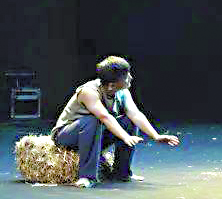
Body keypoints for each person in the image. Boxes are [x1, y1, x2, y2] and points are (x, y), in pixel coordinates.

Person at [51, 56, 180, 188]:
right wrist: (125, 137)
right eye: (126, 77)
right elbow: (105, 117)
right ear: (111, 85)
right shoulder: (88, 92)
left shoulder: (122, 91)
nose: (130, 78)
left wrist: (156, 136)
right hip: (67, 137)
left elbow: (135, 114)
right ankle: (86, 177)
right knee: (93, 119)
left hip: (95, 135)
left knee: (128, 120)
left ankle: (122, 173)